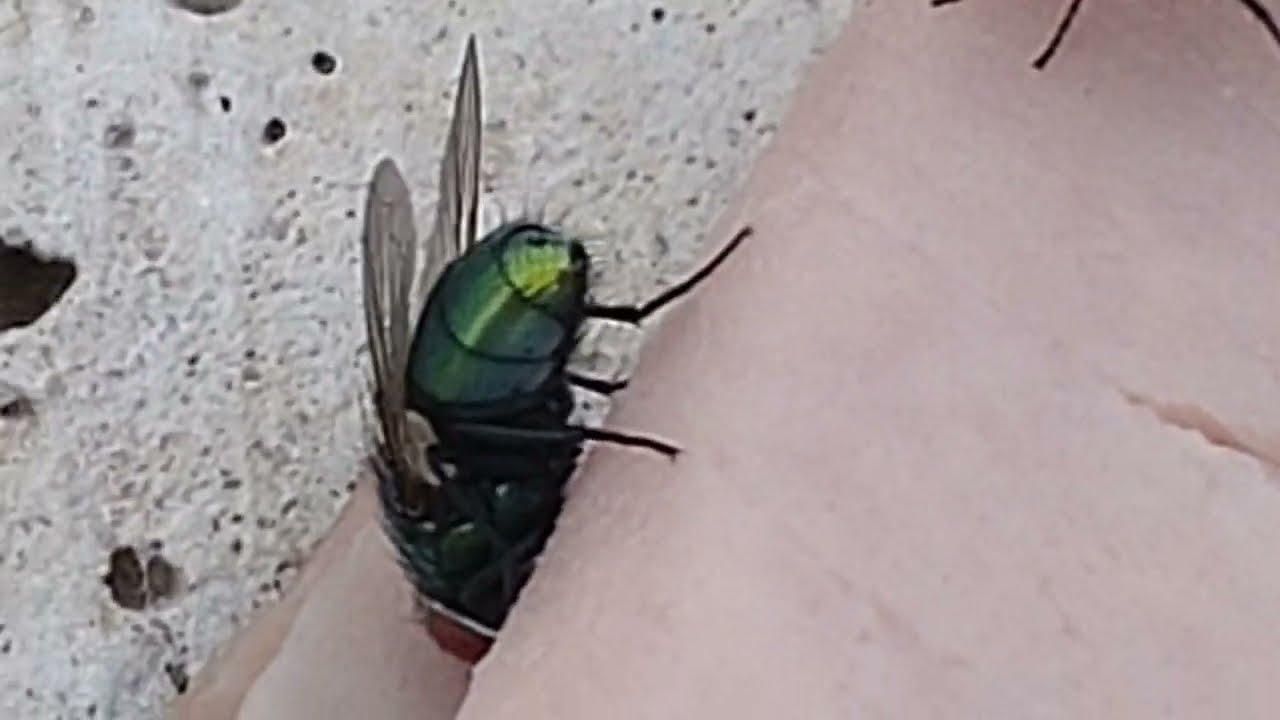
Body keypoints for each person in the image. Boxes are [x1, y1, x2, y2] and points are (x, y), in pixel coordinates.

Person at [174, 3, 1280, 717]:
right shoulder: (439, 510)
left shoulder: (454, 513)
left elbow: (509, 427)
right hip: (507, 328)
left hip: (511, 333)